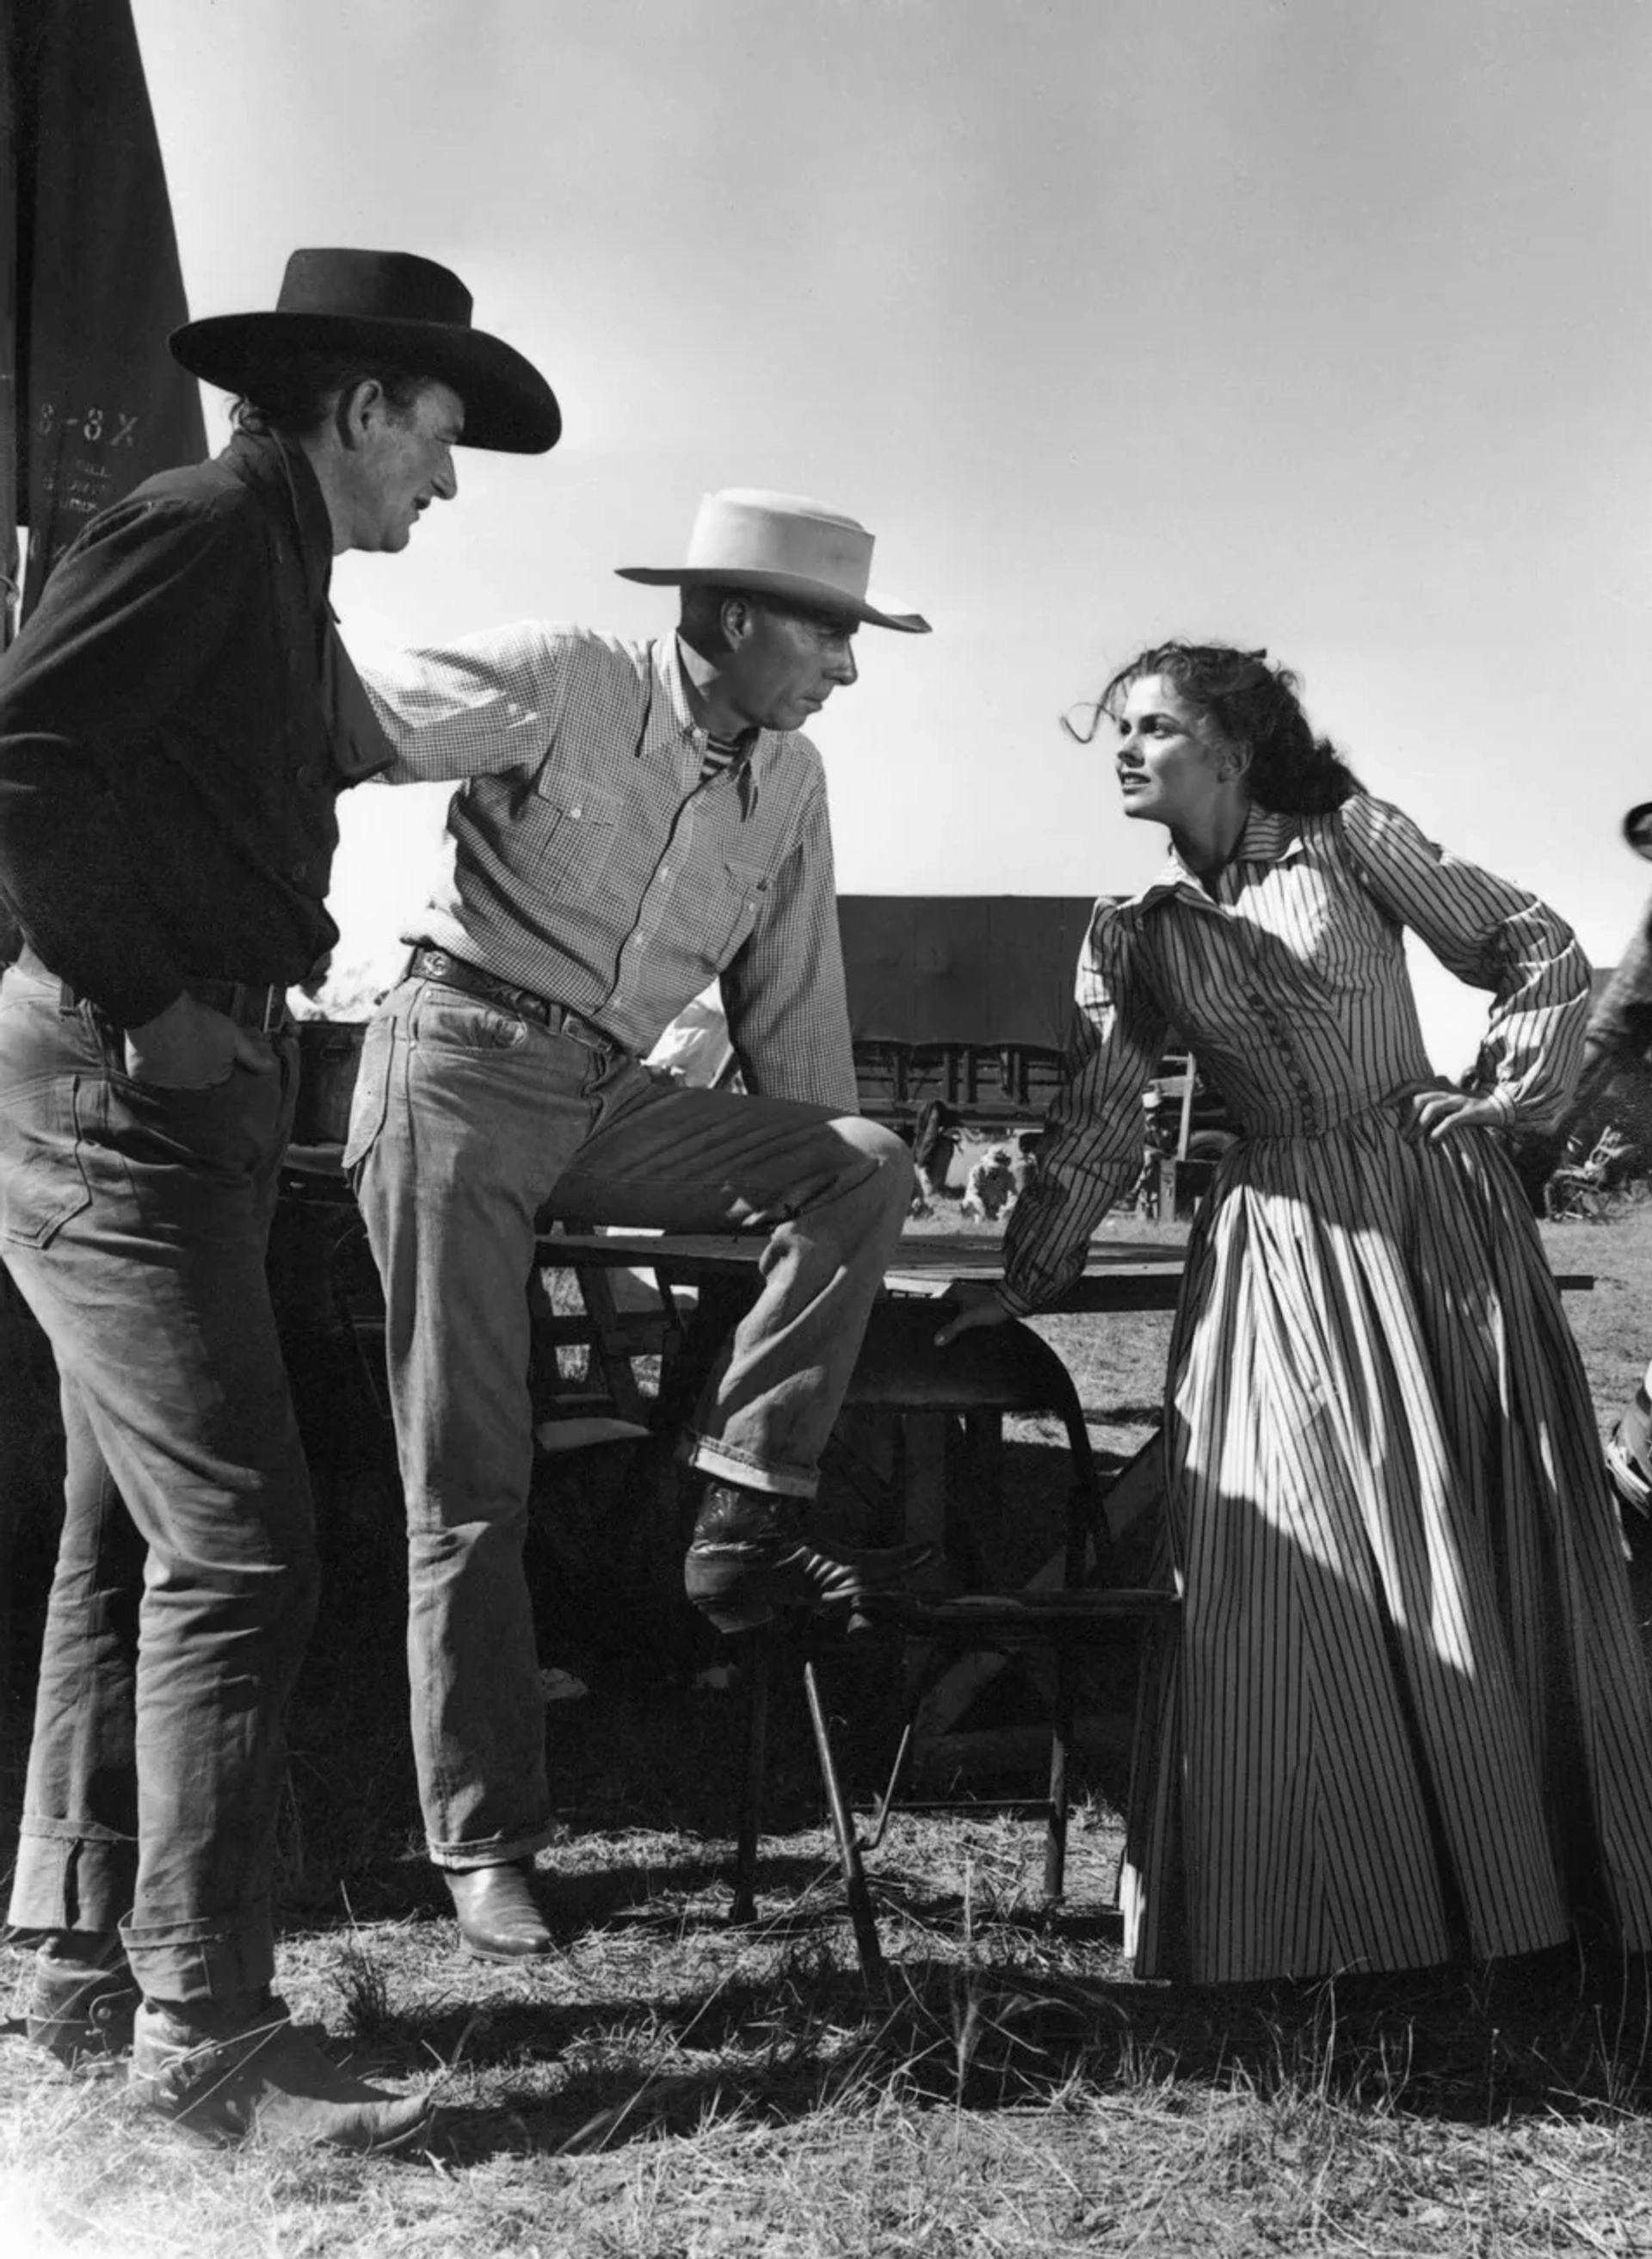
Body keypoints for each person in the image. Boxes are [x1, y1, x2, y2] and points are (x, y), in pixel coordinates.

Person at [0, 249, 558, 2145]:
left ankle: (80, 1972)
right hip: (120, 1076)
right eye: (440, 435)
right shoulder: (199, 526)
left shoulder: (272, 555)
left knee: (125, 1544)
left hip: (192, 1082)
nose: (451, 482)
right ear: (356, 405)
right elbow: (20, 757)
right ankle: (207, 2047)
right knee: (245, 1551)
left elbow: (319, 742)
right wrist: (152, 1002)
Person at [940, 640, 1652, 1985]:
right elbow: (1099, 1124)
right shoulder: (1133, 931)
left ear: (1233, 744)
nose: (1126, 749)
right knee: (1275, 1554)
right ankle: (1319, 1915)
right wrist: (1021, 1279)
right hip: (1271, 1236)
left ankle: (1525, 1902)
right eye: (1120, 729)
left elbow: (1537, 943)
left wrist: (1505, 1101)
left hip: (1429, 1217)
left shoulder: (1349, 840)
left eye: (1152, 725)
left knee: (1461, 1529)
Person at [342, 488, 934, 1962]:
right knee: (473, 1479)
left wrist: (827, 1267)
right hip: (456, 1066)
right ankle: (485, 1846)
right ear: (734, 618)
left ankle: (742, 1509)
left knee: (862, 1159)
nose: (847, 671)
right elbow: (342, 722)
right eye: (832, 636)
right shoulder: (565, 675)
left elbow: (797, 1035)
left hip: (613, 1097)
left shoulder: (787, 780)